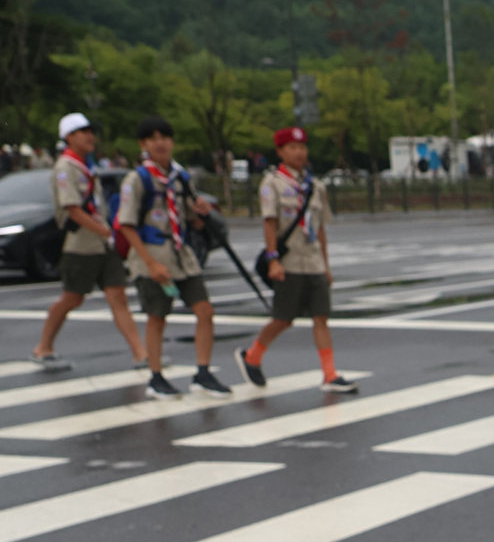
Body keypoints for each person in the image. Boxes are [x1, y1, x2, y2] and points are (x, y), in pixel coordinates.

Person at [115, 116, 230, 399]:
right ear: (143, 144)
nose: (160, 143)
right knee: (157, 317)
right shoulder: (137, 179)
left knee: (205, 311)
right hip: (152, 254)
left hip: (181, 254)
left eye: (165, 137)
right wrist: (150, 263)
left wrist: (201, 212)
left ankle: (202, 372)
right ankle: (156, 377)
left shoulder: (180, 178)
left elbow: (193, 221)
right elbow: (126, 225)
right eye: (153, 138)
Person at [236, 126, 357, 395]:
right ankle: (252, 356)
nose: (299, 152)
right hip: (288, 261)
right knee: (283, 318)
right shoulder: (273, 183)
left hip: (312, 260)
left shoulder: (316, 186)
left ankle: (329, 373)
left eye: (302, 147)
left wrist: (326, 265)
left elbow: (321, 227)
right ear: (280, 151)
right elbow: (270, 224)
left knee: (321, 316)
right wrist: (273, 260)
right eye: (292, 147)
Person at [33, 112, 144, 371]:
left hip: (103, 245)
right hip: (81, 245)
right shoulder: (65, 168)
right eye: (83, 132)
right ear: (69, 137)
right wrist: (106, 232)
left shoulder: (86, 166)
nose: (90, 136)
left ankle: (141, 353)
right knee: (72, 299)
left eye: (90, 131)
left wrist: (106, 235)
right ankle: (43, 347)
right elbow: (72, 209)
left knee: (118, 297)